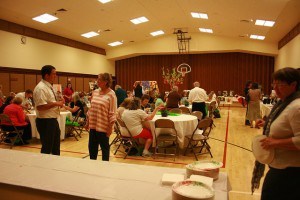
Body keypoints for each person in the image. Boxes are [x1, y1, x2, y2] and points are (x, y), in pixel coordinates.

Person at [251, 67, 300, 200]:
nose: (276, 88)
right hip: (280, 169)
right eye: (274, 84)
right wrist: (268, 123)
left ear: (294, 85)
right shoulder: (283, 102)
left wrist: (276, 142)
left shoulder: (296, 107)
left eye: (281, 84)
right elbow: (284, 125)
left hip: (290, 174)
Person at [33, 65, 65, 155]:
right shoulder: (41, 88)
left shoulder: (49, 86)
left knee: (55, 147)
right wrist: (56, 104)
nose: (56, 76)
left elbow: (49, 102)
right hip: (45, 122)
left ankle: (55, 166)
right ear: (47, 75)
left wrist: (59, 102)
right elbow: (40, 107)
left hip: (52, 120)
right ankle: (44, 167)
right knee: (47, 148)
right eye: (54, 74)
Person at [86, 73, 117, 161]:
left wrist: (110, 128)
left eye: (100, 80)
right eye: (97, 79)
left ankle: (104, 167)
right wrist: (87, 122)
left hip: (104, 126)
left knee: (104, 149)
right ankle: (92, 166)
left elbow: (113, 112)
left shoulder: (112, 94)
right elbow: (91, 108)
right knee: (92, 147)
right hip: (93, 125)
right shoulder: (95, 92)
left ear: (106, 82)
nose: (97, 81)